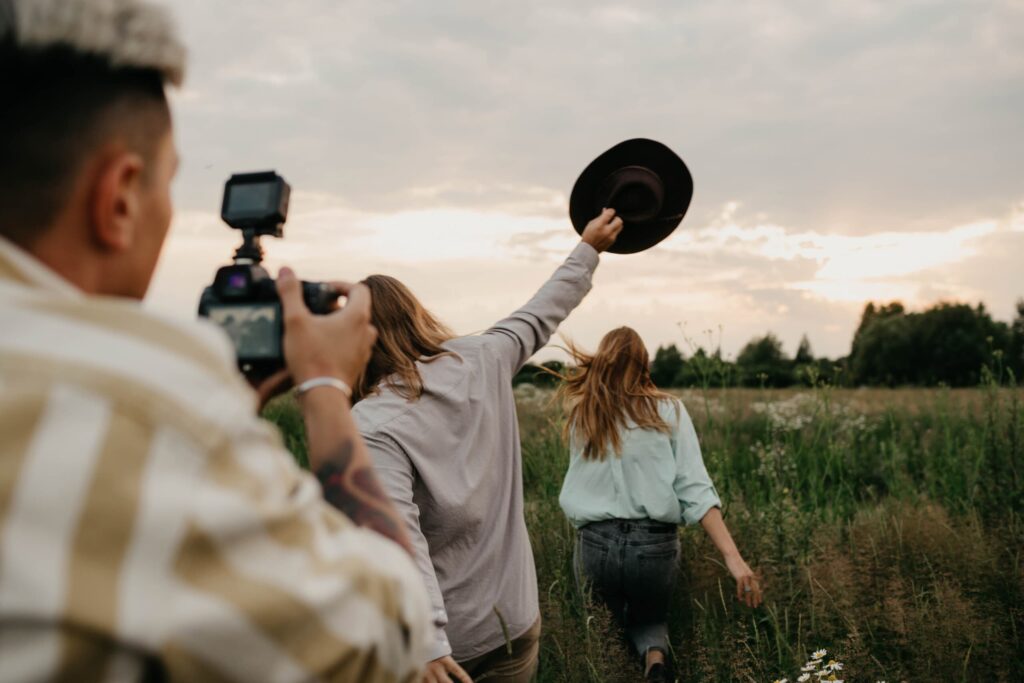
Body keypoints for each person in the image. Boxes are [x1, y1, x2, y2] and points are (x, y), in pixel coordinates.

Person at [0, 1, 432, 679]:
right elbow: (388, 631)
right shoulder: (150, 407)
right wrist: (324, 388)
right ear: (118, 198)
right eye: (168, 182)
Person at [351, 209, 624, 682]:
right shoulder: (484, 356)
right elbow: (543, 311)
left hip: (441, 651)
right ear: (416, 315)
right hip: (515, 622)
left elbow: (398, 538)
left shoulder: (372, 421)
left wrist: (429, 642)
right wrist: (589, 247)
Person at [555, 327, 762, 682]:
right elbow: (695, 488)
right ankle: (654, 663)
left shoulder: (583, 413)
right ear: (644, 363)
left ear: (602, 362)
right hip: (654, 544)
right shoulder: (669, 410)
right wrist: (734, 558)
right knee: (651, 619)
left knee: (603, 626)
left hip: (595, 542)